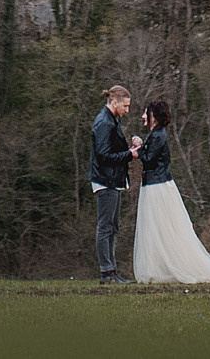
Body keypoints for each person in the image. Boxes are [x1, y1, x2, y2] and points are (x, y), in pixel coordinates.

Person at [129, 99, 210, 284]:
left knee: (159, 228)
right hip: (154, 185)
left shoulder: (159, 135)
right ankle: (158, 269)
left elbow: (149, 159)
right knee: (155, 229)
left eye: (146, 113)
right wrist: (141, 145)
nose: (143, 116)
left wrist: (135, 152)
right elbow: (151, 153)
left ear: (154, 117)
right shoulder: (157, 135)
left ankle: (164, 269)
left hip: (157, 188)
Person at [89, 84, 135, 283]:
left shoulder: (112, 120)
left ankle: (111, 272)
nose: (127, 110)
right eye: (125, 106)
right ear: (114, 102)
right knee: (105, 227)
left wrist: (130, 147)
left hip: (113, 180)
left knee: (112, 226)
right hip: (106, 180)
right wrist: (129, 154)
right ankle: (106, 273)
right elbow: (104, 155)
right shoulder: (104, 123)